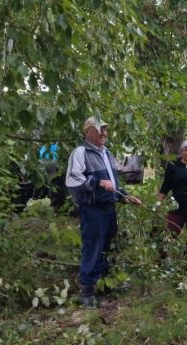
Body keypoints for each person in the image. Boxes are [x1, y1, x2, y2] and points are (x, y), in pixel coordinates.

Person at [66, 116, 142, 308]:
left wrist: (124, 196)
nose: (104, 134)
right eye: (99, 130)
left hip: (109, 208)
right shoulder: (80, 152)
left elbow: (113, 183)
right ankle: (87, 290)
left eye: (105, 130)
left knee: (109, 246)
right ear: (88, 132)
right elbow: (72, 180)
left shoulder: (107, 153)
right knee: (93, 247)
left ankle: (105, 283)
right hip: (92, 210)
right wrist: (98, 182)